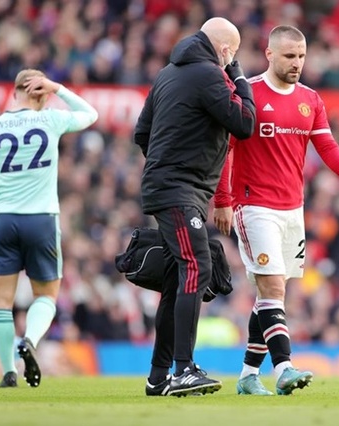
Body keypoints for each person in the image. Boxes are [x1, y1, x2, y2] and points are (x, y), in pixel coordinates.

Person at [213, 25, 339, 396]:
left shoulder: (311, 99)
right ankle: (284, 367)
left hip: (292, 210)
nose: (297, 63)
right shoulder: (246, 93)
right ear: (269, 55)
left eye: (301, 56)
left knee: (271, 295)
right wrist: (222, 200)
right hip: (253, 205)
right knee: (273, 286)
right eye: (289, 56)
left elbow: (326, 145)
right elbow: (225, 150)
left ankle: (249, 375)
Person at [134, 17, 256, 397]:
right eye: (231, 55)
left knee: (176, 279)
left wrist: (165, 162)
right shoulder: (210, 75)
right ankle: (184, 369)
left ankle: (158, 376)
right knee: (196, 267)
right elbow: (245, 123)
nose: (231, 61)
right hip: (178, 191)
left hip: (171, 187)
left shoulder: (167, 73)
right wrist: (239, 78)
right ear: (224, 51)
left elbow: (142, 132)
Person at [0, 69, 98, 388]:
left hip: (4, 221)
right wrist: (59, 87)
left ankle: (7, 372)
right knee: (46, 295)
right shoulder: (50, 120)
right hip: (42, 218)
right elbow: (90, 113)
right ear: (43, 94)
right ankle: (29, 339)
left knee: (1, 301)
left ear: (14, 91)